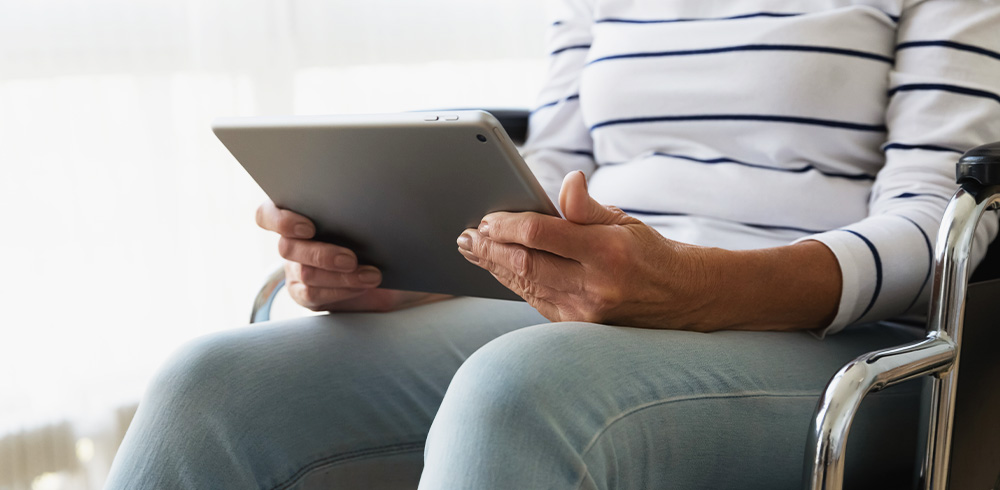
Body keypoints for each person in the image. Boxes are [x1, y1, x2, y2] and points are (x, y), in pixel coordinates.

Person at [106, 1, 1000, 488]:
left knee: (521, 391)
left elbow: (938, 218)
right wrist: (413, 265)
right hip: (595, 303)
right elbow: (551, 184)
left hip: (822, 334)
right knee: (215, 383)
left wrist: (695, 286)